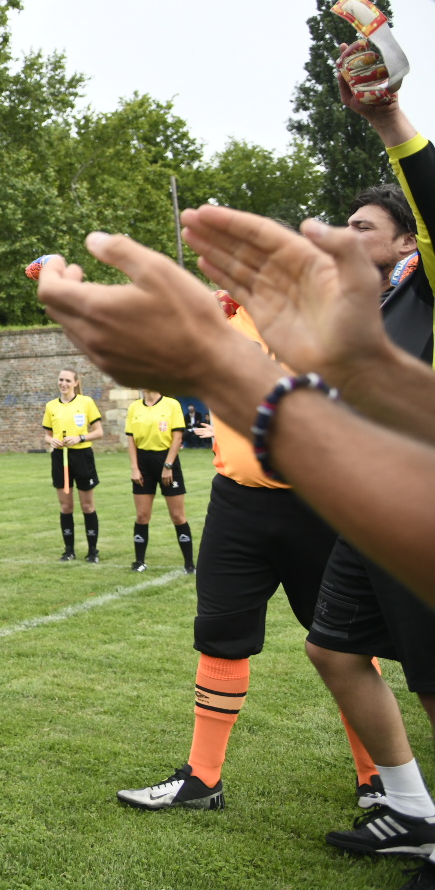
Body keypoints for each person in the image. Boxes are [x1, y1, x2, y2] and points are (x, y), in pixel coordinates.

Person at [111, 292, 376, 813]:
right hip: (237, 502)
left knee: (347, 643)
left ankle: (379, 777)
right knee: (219, 635)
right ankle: (202, 779)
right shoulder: (222, 319)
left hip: (319, 502)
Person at [298, 70, 435, 859]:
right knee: (334, 648)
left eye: (363, 226)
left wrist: (386, 117)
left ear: (407, 241)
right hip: (367, 511)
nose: (348, 236)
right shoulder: (372, 304)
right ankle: (413, 809)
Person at [123, 390, 194, 573]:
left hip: (167, 460)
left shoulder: (172, 404)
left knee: (178, 516)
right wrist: (134, 467)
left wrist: (168, 465)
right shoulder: (134, 407)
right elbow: (130, 439)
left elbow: (177, 437)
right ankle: (139, 562)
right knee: (142, 515)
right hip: (143, 463)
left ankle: (189, 564)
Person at [42, 369, 104, 562]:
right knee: (66, 506)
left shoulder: (86, 402)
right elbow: (47, 434)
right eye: (61, 380)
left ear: (76, 383)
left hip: (82, 456)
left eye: (68, 380)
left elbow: (99, 431)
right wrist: (51, 441)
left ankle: (92, 551)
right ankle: (69, 550)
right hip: (61, 458)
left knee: (87, 505)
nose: (64, 384)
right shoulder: (51, 406)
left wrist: (80, 438)